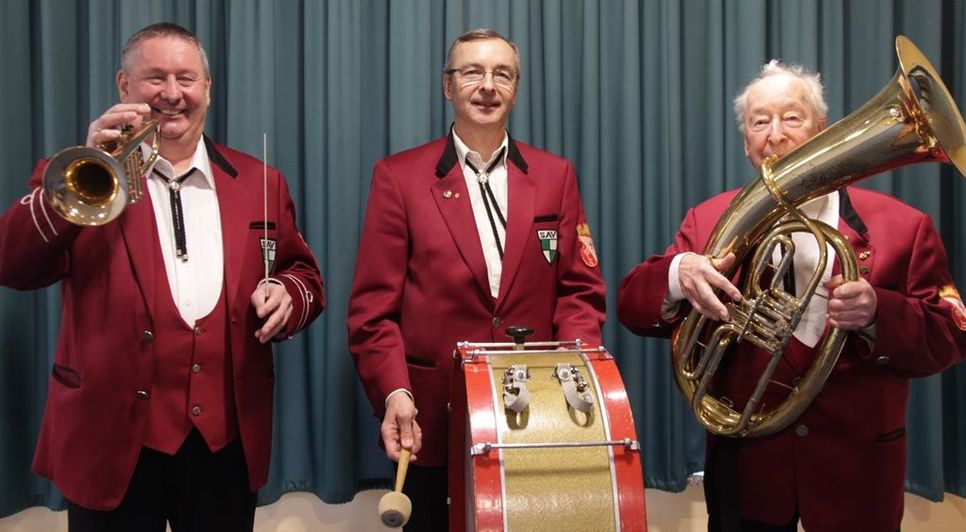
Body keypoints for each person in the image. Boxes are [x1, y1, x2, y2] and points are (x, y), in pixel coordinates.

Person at [0, 22, 324, 531]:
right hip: (108, 442)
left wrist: (288, 292)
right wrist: (90, 166)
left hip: (223, 446)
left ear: (208, 90)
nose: (172, 94)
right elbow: (12, 265)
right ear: (124, 87)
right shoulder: (75, 178)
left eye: (186, 79)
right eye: (155, 78)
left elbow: (303, 273)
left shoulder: (262, 181)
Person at [617, 60, 966, 531]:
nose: (775, 135)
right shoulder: (709, 220)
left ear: (824, 131)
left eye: (792, 117)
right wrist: (679, 274)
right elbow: (632, 307)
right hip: (749, 478)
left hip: (857, 479)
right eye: (759, 121)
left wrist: (878, 313)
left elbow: (950, 335)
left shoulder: (903, 226)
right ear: (746, 143)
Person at [347, 28, 606, 531]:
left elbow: (580, 291)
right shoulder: (399, 178)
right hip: (431, 423)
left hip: (536, 422)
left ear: (515, 87)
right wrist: (395, 394)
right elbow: (372, 313)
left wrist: (571, 372)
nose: (487, 86)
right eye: (472, 72)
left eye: (501, 74)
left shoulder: (556, 176)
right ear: (448, 86)